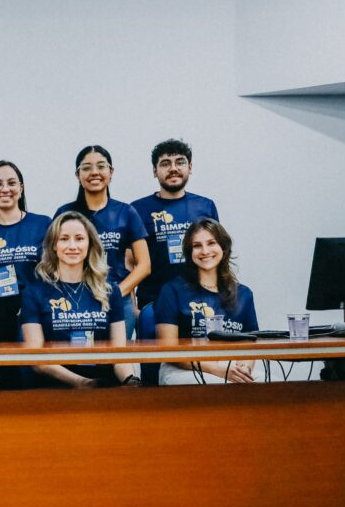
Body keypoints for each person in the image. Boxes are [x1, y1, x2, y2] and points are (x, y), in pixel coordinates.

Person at [21, 211, 137, 388]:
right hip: (55, 388)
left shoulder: (110, 291)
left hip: (103, 386)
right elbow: (38, 360)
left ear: (90, 244)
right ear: (54, 245)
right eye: (64, 239)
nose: (72, 246)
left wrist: (131, 380)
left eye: (79, 238)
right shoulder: (34, 293)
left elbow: (119, 356)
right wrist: (82, 383)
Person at [56, 146, 150, 338]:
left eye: (101, 166)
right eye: (86, 168)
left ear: (111, 172)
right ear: (78, 175)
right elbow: (52, 259)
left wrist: (116, 294)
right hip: (76, 302)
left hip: (118, 300)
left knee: (117, 363)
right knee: (82, 363)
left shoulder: (126, 212)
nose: (94, 173)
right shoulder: (64, 214)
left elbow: (144, 265)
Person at [0, 160, 52, 389]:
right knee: (7, 379)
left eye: (11, 183)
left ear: (21, 188)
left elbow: (54, 271)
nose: (4, 189)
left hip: (36, 311)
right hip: (0, 313)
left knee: (36, 374)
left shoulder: (42, 224)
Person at [155, 218, 259, 385]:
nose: (205, 251)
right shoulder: (172, 291)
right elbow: (169, 350)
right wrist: (218, 370)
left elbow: (249, 344)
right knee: (220, 387)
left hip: (230, 367)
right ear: (189, 252)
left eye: (211, 243)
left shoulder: (244, 294)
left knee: (274, 387)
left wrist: (244, 368)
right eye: (197, 246)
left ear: (223, 247)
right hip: (183, 368)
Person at [131, 139, 219, 312]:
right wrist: (132, 308)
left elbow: (216, 256)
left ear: (190, 167)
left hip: (200, 301)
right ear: (155, 171)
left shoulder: (206, 206)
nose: (173, 168)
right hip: (153, 302)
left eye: (180, 162)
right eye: (165, 164)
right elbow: (128, 263)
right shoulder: (137, 209)